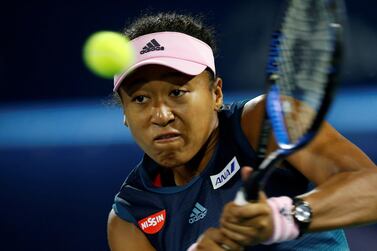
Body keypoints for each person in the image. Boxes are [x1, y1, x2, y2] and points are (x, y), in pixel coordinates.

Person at [107, 12, 377, 251]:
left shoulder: (265, 121)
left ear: (216, 94)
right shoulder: (130, 217)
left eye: (177, 92)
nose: (162, 115)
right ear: (125, 115)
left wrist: (282, 218)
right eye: (140, 99)